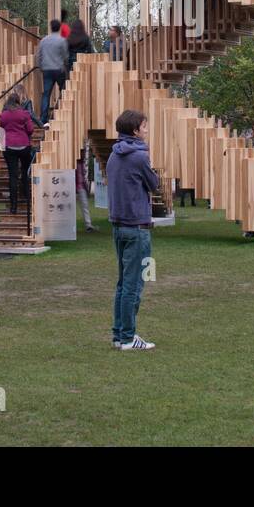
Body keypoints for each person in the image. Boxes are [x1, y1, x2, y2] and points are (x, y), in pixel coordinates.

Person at [107, 109, 158, 350]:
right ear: (136, 130)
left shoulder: (113, 155)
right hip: (137, 227)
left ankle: (119, 334)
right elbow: (154, 184)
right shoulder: (139, 156)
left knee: (123, 283)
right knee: (133, 284)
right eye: (145, 127)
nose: (147, 131)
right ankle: (128, 337)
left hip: (119, 225)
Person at [0, 95, 35, 214]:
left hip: (9, 146)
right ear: (18, 102)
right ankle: (26, 197)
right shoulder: (24, 114)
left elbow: (2, 129)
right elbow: (30, 130)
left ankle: (13, 206)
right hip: (24, 145)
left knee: (12, 176)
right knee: (25, 172)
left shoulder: (3, 115)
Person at [36, 19, 69, 124]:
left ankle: (43, 119)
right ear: (59, 28)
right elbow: (65, 56)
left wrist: (40, 67)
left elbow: (39, 56)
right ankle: (62, 113)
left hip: (47, 70)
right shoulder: (62, 40)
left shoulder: (44, 40)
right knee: (63, 91)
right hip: (59, 69)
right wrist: (65, 67)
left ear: (51, 27)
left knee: (46, 94)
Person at [76, 148, 94, 232]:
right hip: (74, 186)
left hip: (81, 187)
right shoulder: (74, 163)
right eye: (82, 153)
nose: (84, 156)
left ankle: (88, 225)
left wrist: (86, 189)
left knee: (85, 205)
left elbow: (83, 177)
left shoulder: (82, 164)